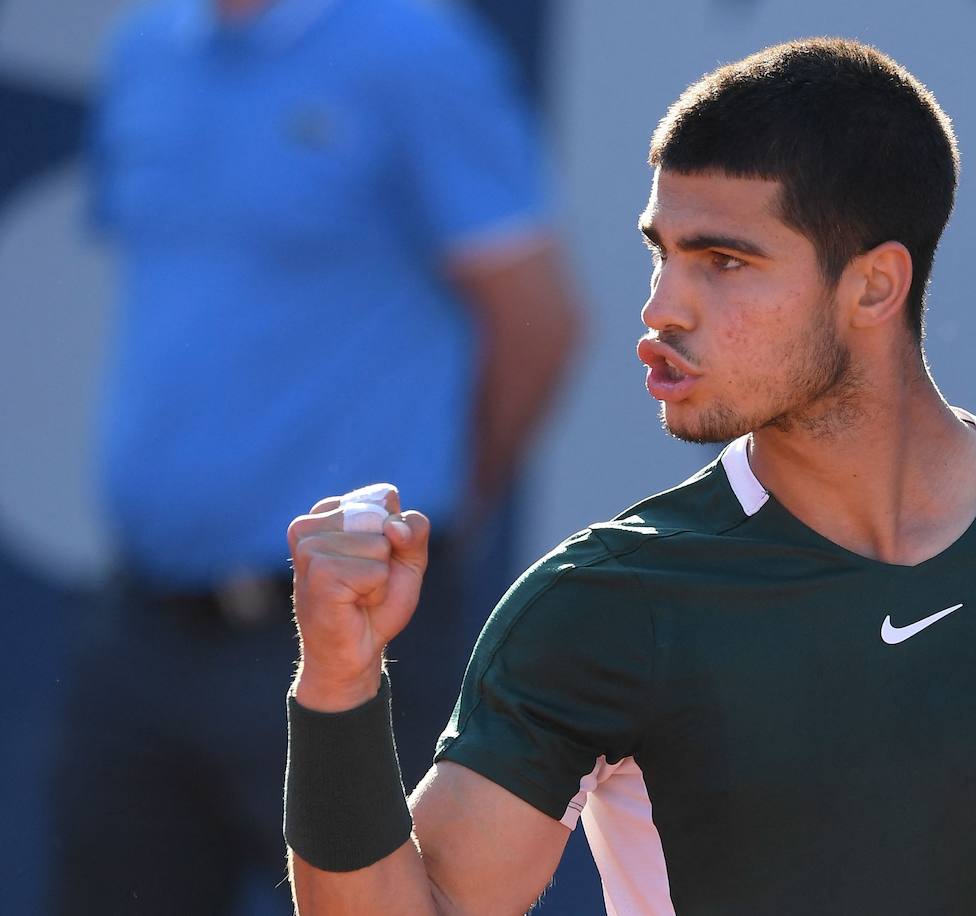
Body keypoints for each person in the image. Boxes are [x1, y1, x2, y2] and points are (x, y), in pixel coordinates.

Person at [282, 38, 976, 915]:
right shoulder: (600, 603)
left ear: (874, 285)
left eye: (722, 262)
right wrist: (337, 680)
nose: (664, 309)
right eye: (662, 255)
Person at [48, 0, 583, 912]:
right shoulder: (145, 50)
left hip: (349, 638)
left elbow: (536, 321)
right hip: (140, 627)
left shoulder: (415, 52)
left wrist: (430, 531)